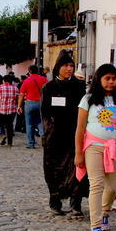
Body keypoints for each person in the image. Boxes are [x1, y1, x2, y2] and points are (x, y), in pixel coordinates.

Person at [74, 64, 116, 231]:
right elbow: (80, 127)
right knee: (96, 185)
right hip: (94, 146)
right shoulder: (88, 99)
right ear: (99, 79)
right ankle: (96, 226)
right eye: (107, 78)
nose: (110, 82)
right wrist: (78, 152)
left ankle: (105, 212)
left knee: (112, 186)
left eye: (113, 79)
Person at [42, 50, 88, 216]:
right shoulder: (49, 87)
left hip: (74, 134)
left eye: (71, 66)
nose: (69, 69)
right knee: (55, 170)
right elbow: (45, 113)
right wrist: (49, 131)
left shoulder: (77, 86)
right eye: (66, 65)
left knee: (77, 169)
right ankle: (55, 201)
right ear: (58, 67)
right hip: (54, 136)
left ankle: (76, 203)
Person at [18, 65, 47, 149]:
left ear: (29, 71)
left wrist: (19, 106)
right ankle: (44, 140)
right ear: (38, 71)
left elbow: (21, 95)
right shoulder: (44, 80)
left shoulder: (26, 81)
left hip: (30, 103)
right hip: (41, 103)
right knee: (41, 123)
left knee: (29, 124)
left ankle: (31, 143)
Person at [0, 73, 19, 147]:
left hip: (1, 109)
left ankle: (3, 134)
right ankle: (10, 142)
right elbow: (17, 98)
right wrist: (18, 106)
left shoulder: (0, 87)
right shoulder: (15, 88)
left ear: (4, 80)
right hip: (12, 110)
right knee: (9, 125)